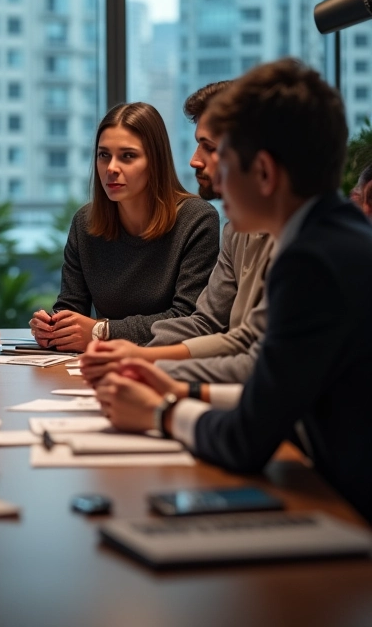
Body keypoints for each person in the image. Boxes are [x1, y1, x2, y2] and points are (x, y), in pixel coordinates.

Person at [91, 58, 372, 525]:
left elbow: (247, 440)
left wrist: (161, 411)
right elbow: (277, 395)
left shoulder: (312, 262)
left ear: (262, 173)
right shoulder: (328, 239)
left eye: (226, 160)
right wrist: (180, 388)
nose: (215, 178)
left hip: (349, 522)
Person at [80, 82, 273, 384]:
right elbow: (217, 328)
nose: (194, 160)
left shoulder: (304, 240)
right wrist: (138, 360)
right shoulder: (238, 230)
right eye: (103, 155)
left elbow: (258, 361)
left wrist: (161, 385)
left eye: (209, 147)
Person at [29, 101, 219, 352]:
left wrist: (102, 331)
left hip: (168, 365)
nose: (111, 168)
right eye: (103, 155)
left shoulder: (196, 219)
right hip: (102, 365)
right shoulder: (84, 223)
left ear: (155, 161)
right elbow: (72, 307)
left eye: (128, 156)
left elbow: (187, 318)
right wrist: (53, 327)